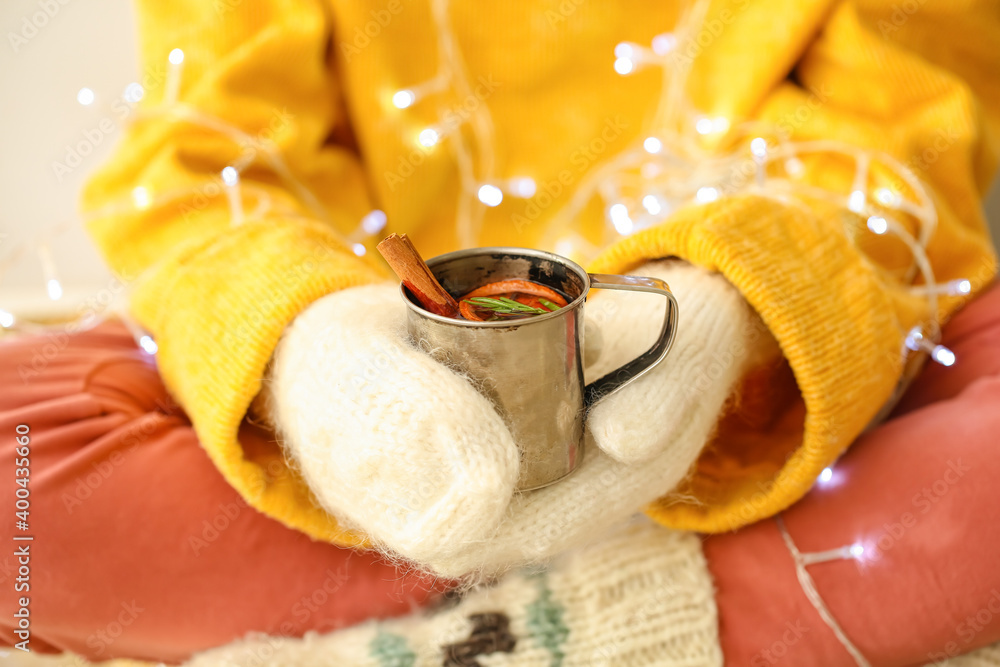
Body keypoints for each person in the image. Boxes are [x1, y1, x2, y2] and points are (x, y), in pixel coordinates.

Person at [2, 0, 999, 663]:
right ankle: (698, 602)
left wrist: (736, 307)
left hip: (763, 419)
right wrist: (303, 346)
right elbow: (199, 168)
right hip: (371, 424)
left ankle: (498, 608)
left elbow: (895, 150)